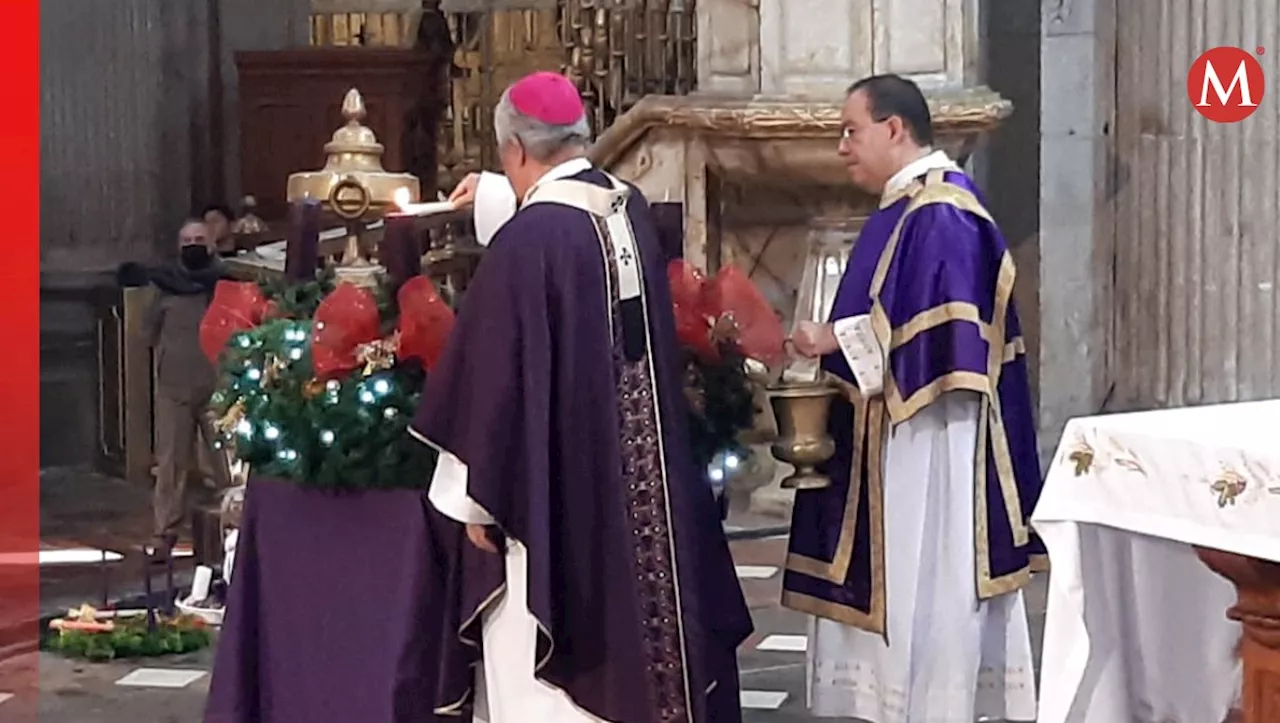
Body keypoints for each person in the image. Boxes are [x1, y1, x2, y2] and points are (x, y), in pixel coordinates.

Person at [409, 71, 752, 723]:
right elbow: (563, 234)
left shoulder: (527, 245)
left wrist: (476, 498)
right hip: (634, 493)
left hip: (553, 504)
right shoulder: (627, 210)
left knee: (542, 669)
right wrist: (487, 196)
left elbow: (494, 379)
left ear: (514, 151)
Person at [785, 74, 1045, 723]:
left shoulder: (944, 212)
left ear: (895, 129)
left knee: (928, 573)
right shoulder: (909, 207)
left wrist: (833, 338)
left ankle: (933, 703)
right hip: (897, 427)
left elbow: (938, 341)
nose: (843, 146)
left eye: (853, 130)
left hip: (931, 439)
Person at [140, 218, 231, 552]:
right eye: (186, 240)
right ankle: (165, 532)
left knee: (225, 462)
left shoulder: (225, 282)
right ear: (179, 247)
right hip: (174, 386)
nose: (193, 245)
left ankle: (234, 526)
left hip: (219, 386)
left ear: (211, 244)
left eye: (199, 239)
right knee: (171, 465)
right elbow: (146, 331)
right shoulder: (165, 285)